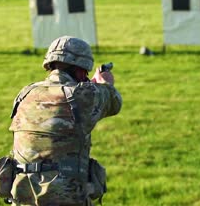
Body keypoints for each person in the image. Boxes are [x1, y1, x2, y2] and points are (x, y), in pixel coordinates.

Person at [8, 36, 122, 205]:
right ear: (80, 70)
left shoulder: (25, 93)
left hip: (23, 194)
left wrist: (87, 87)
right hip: (65, 196)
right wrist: (106, 84)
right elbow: (115, 103)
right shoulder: (85, 96)